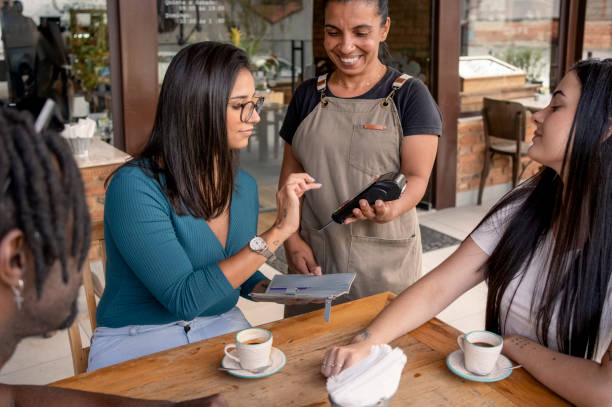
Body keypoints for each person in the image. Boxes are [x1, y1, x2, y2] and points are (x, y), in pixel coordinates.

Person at [321, 59, 612, 406]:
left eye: (557, 105)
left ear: (606, 129)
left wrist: (514, 345)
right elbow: (438, 288)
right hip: (502, 391)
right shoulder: (526, 206)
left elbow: (603, 391)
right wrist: (366, 342)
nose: (538, 114)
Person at [88, 42, 319, 371]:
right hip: (137, 337)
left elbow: (238, 274)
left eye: (255, 103)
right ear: (198, 108)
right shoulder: (134, 186)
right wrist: (280, 230)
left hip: (218, 327)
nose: (254, 116)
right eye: (240, 105)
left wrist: (286, 291)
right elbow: (185, 299)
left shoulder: (243, 186)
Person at [0, 108, 227, 406]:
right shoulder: (135, 184)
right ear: (16, 259)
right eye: (70, 231)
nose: (84, 253)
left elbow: (13, 398)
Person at [278, 0, 442, 316]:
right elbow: (289, 181)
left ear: (384, 29)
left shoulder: (410, 96)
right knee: (304, 351)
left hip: (383, 261)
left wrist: (395, 207)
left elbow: (417, 177)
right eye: (333, 32)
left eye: (361, 32)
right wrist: (292, 240)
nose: (346, 45)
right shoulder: (308, 95)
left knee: (375, 352)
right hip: (315, 256)